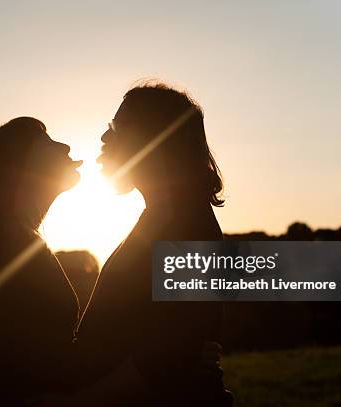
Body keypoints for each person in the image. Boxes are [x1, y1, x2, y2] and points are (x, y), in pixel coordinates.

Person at [75, 83, 233, 406]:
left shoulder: (189, 226)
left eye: (117, 129)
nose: (105, 139)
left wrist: (77, 403)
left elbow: (165, 361)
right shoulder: (158, 217)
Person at [0, 117, 82, 406]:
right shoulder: (5, 244)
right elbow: (18, 363)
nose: (66, 146)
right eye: (45, 143)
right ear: (19, 169)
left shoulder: (4, 242)